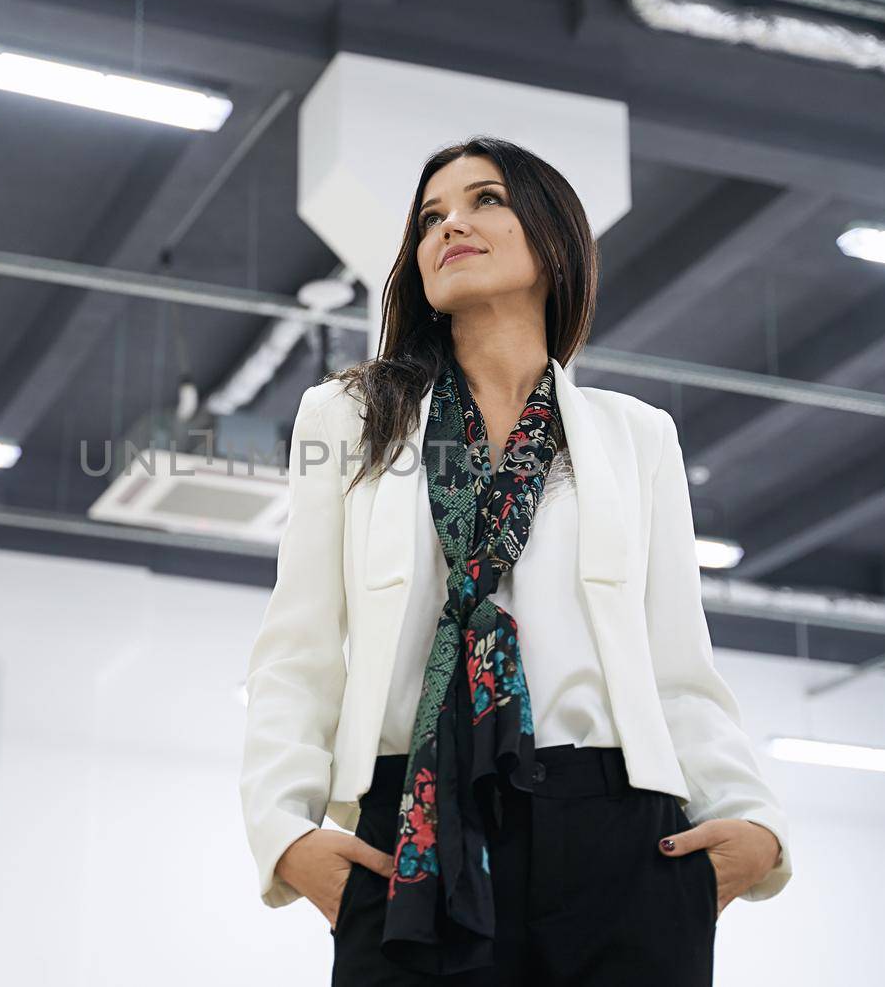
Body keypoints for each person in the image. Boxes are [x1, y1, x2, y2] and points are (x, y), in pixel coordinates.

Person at [239, 135, 791, 984]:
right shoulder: (352, 418)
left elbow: (676, 661)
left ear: (553, 239)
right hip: (416, 826)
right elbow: (298, 649)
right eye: (430, 216)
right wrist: (288, 835)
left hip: (615, 832)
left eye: (484, 199)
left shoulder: (634, 435)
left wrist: (751, 823)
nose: (450, 224)